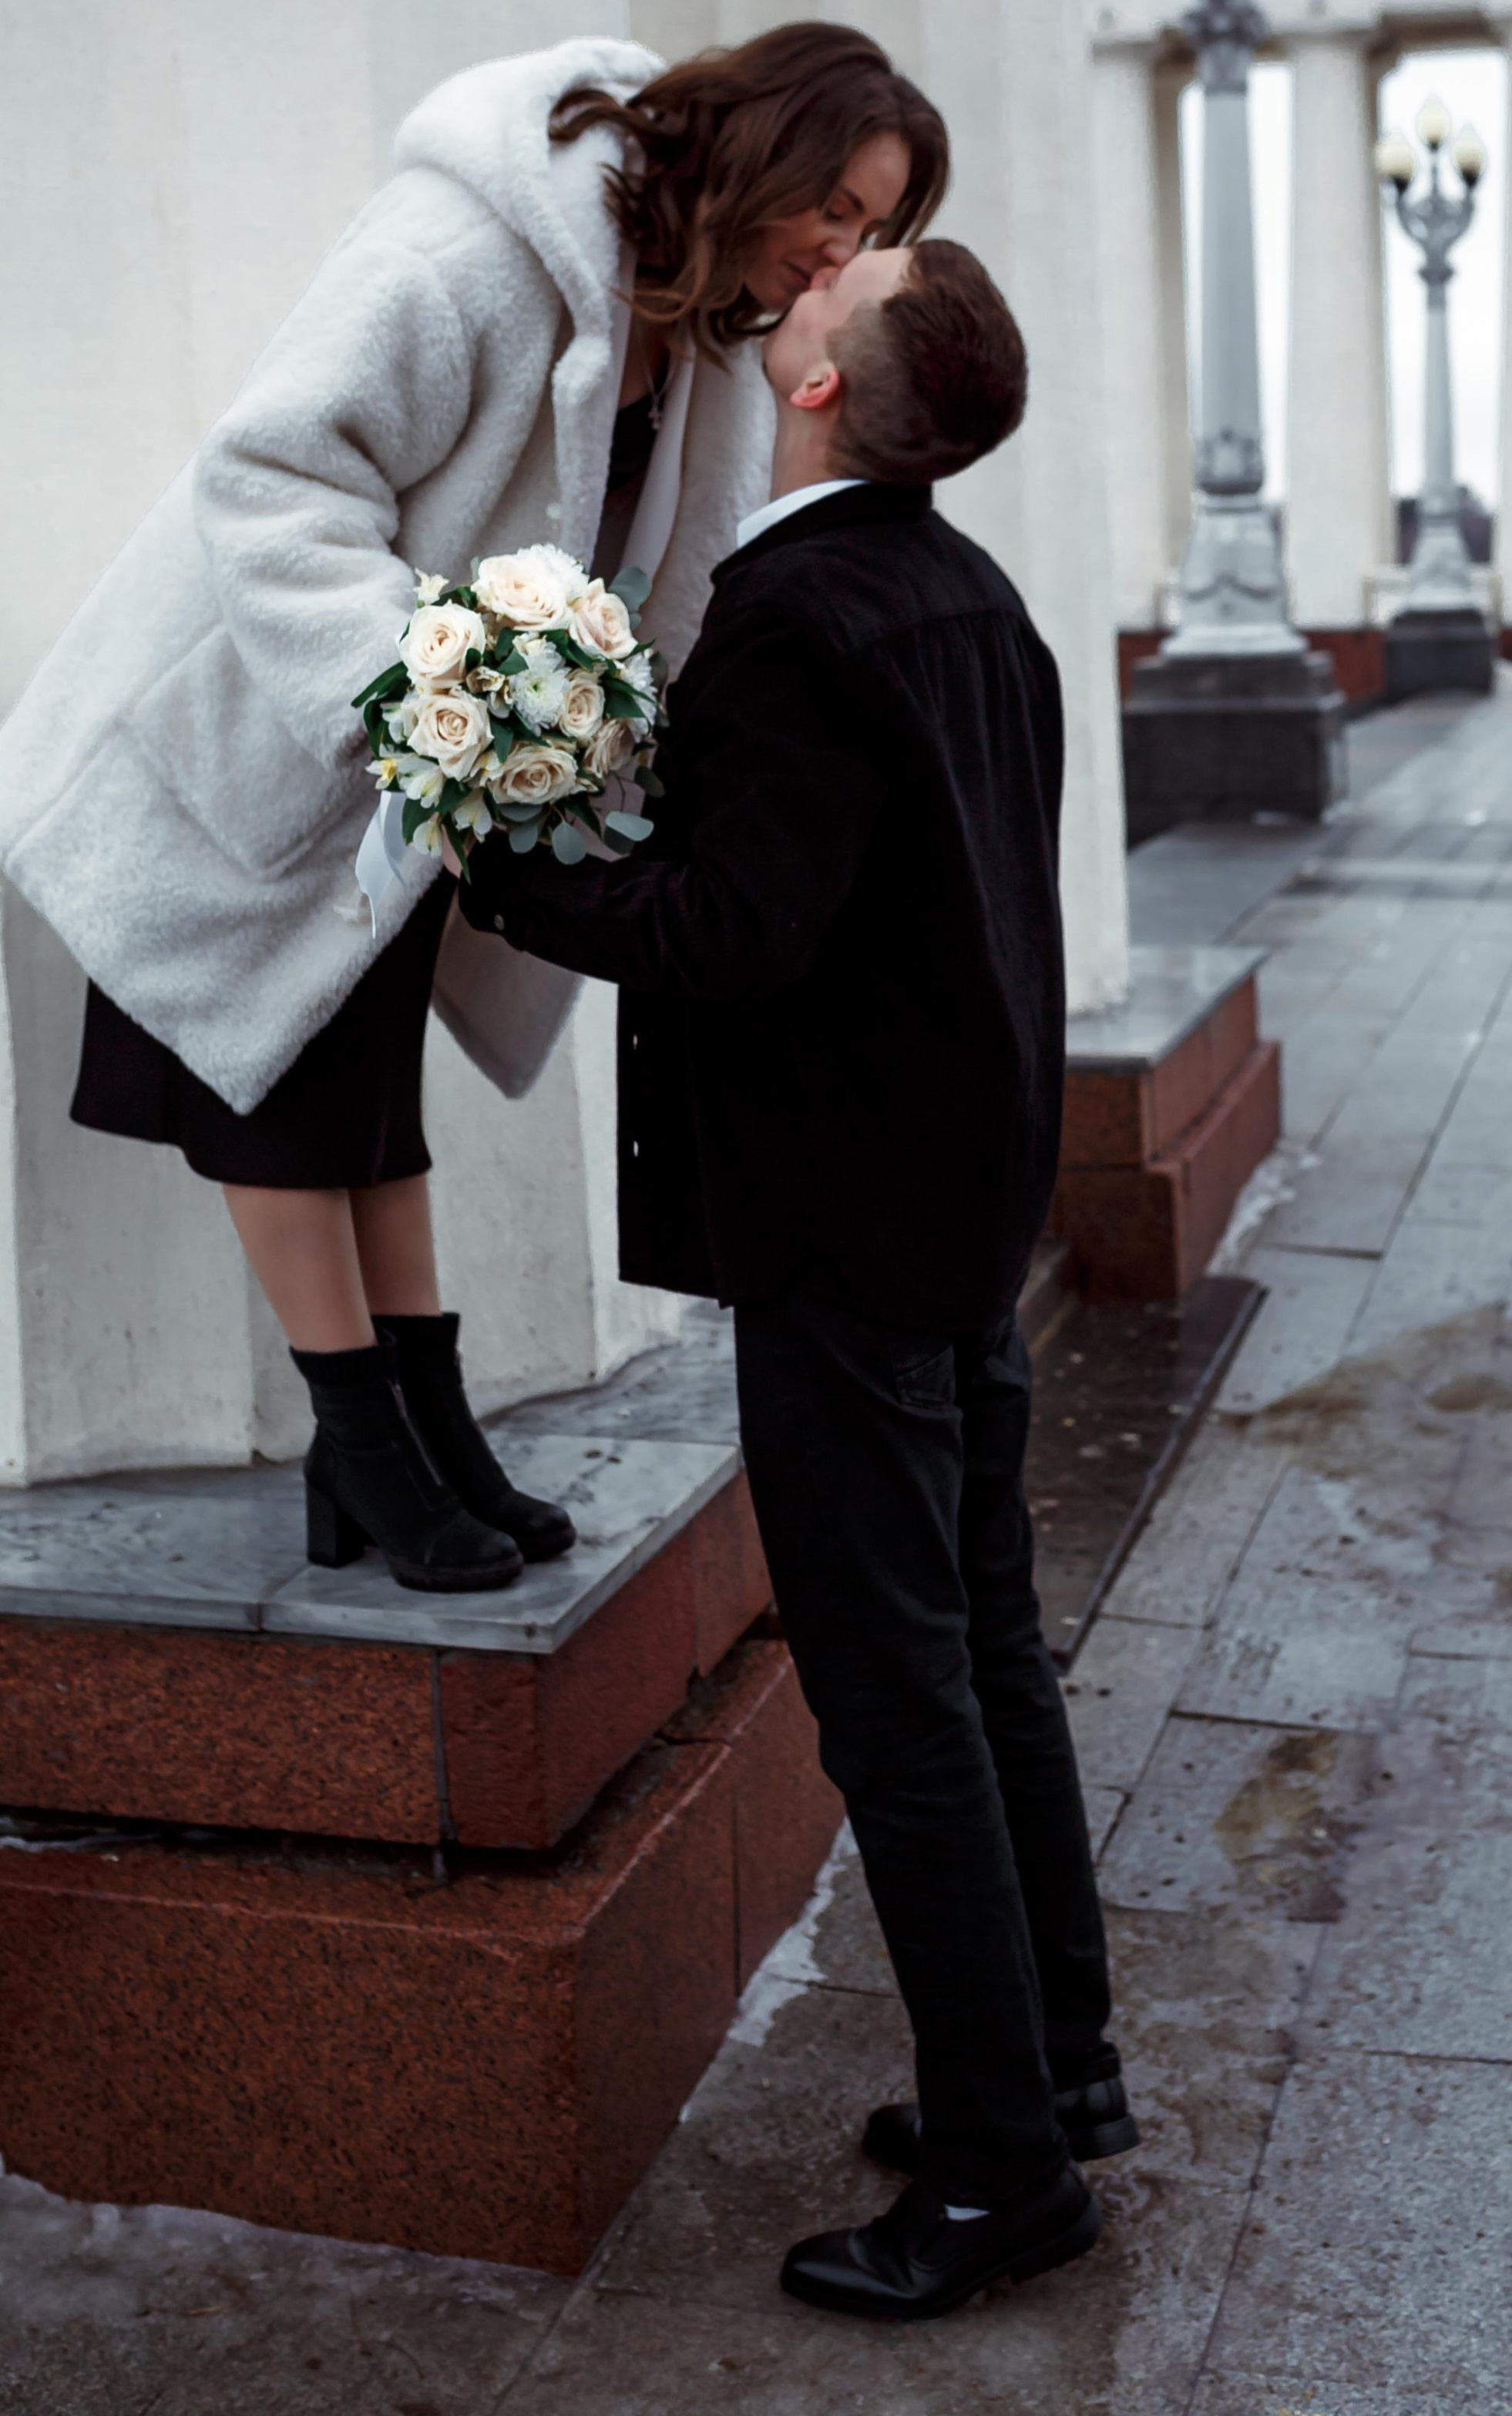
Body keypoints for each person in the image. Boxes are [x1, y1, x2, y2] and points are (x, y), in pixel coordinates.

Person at [0, 25, 946, 1594]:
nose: (838, 251)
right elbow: (271, 472)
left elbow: (668, 574)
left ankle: (421, 1430)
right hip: (264, 737)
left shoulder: (692, 320)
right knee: (278, 1096)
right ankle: (361, 1442)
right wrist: (424, 681)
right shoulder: (470, 255)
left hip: (420, 776)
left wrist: (578, 742)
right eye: (834, 208)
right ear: (768, 147)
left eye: (869, 230)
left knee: (371, 1097)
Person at [450, 236, 1135, 2318]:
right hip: (958, 1209)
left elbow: (734, 932)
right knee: (987, 1657)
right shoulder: (973, 600)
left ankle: (1008, 2176)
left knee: (900, 1698)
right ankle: (1058, 2073)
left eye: (855, 279)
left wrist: (504, 847)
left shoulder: (803, 613)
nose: (819, 276)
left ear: (829, 390)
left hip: (848, 1229)